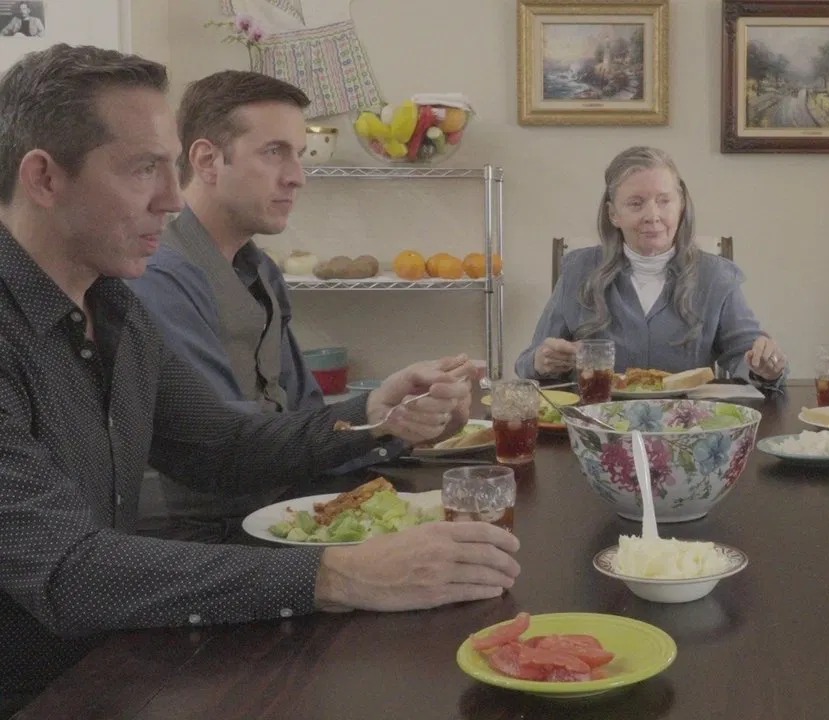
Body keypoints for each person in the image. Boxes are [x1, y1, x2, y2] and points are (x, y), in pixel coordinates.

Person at [0, 44, 519, 710]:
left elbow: (223, 446)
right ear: (44, 178)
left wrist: (376, 419)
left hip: (110, 658)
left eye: (170, 166)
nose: (169, 199)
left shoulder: (115, 307)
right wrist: (338, 574)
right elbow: (68, 570)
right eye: (142, 170)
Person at [126, 70, 387, 542]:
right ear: (207, 160)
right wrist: (377, 417)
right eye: (274, 152)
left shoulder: (260, 270)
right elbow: (224, 452)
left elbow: (306, 415)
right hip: (197, 540)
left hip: (277, 510)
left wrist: (399, 422)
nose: (297, 177)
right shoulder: (161, 278)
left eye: (300, 156)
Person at [516, 145, 787, 386]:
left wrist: (764, 366)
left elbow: (748, 355)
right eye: (636, 203)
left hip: (688, 427)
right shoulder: (578, 270)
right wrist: (541, 362)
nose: (652, 216)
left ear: (681, 206)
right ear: (613, 214)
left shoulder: (717, 276)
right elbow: (527, 362)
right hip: (598, 425)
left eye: (664, 201)